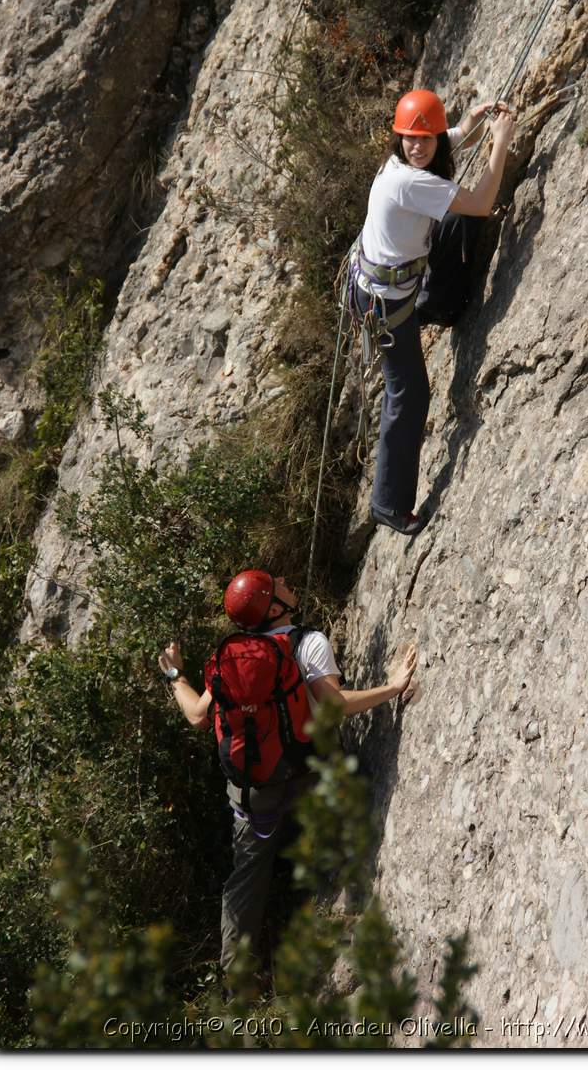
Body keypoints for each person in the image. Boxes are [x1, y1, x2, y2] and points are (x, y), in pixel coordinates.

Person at [158, 568, 417, 976]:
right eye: (275, 584)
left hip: (254, 792)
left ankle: (236, 981)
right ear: (273, 605)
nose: (284, 581)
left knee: (245, 882)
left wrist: (174, 674)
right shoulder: (308, 643)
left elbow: (196, 715)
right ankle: (330, 917)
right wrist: (393, 687)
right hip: (310, 776)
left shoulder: (235, 657)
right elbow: (334, 705)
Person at [352, 88, 518, 536]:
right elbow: (482, 203)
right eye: (411, 139)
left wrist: (467, 127)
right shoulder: (410, 181)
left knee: (452, 217)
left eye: (426, 138)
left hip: (380, 287)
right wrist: (499, 142)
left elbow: (436, 145)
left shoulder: (401, 167)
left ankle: (435, 304)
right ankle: (388, 503)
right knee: (408, 394)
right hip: (386, 303)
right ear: (398, 140)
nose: (419, 146)